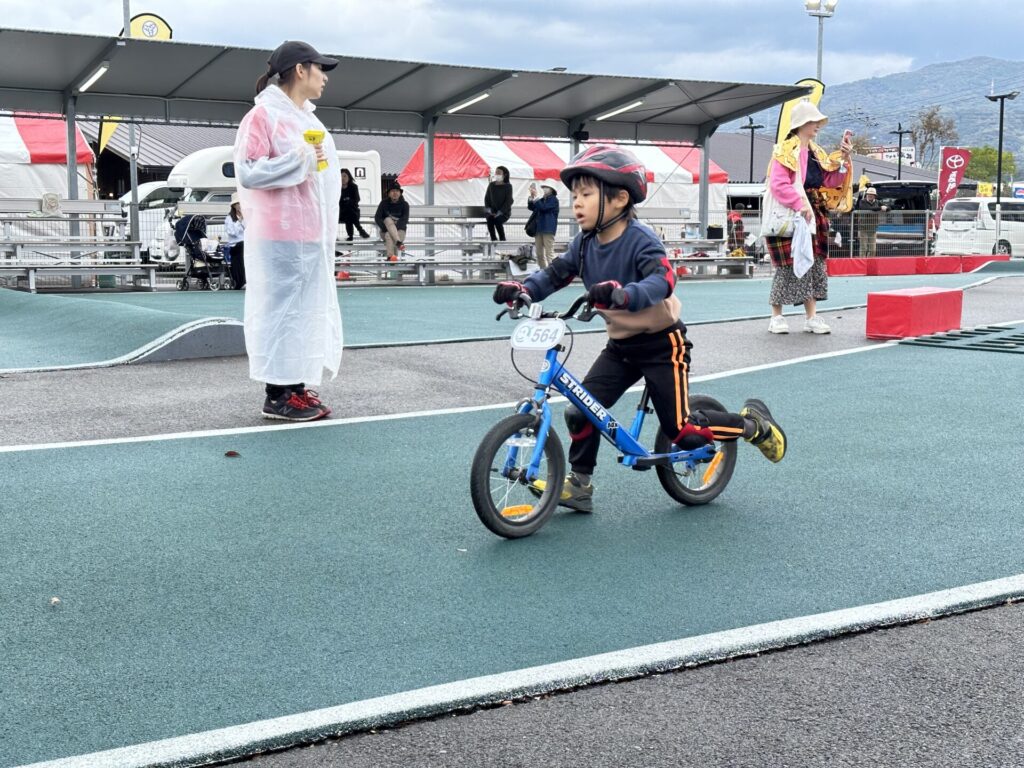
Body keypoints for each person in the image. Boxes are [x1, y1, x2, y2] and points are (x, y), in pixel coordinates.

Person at [491, 145, 787, 513]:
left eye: (586, 194)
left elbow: (663, 280)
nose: (577, 203)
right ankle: (580, 485)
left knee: (682, 431)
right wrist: (522, 289)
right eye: (574, 195)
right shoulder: (583, 244)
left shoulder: (640, 239)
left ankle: (751, 426)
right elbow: (554, 275)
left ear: (619, 198)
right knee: (580, 411)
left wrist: (624, 294)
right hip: (621, 348)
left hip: (662, 345)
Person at [233, 40, 342, 422]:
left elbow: (319, 176)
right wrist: (299, 160)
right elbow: (248, 171)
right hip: (278, 234)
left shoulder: (308, 120)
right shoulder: (263, 116)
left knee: (304, 313)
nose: (324, 77)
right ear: (300, 70)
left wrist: (310, 163)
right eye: (319, 68)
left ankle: (295, 386)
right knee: (278, 312)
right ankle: (276, 393)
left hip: (309, 235)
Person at [763, 100, 853, 335]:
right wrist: (799, 204)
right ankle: (776, 316)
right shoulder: (784, 150)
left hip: (813, 210)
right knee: (787, 264)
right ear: (801, 123)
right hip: (791, 212)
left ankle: (811, 317)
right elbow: (778, 184)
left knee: (813, 263)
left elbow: (830, 180)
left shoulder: (816, 152)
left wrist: (844, 160)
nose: (818, 125)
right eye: (814, 121)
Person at [527, 179, 560, 268]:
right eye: (544, 187)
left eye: (547, 187)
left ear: (552, 189)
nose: (544, 188)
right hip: (539, 228)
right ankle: (544, 272)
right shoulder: (542, 200)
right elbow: (532, 207)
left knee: (549, 253)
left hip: (548, 229)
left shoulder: (554, 200)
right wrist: (531, 197)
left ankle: (553, 272)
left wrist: (536, 198)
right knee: (539, 254)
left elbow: (543, 208)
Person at [374, 181, 410, 261]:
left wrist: (392, 229)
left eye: (397, 191)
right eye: (393, 191)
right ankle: (398, 243)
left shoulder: (405, 204)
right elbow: (377, 217)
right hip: (385, 230)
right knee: (387, 219)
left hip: (400, 231)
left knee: (389, 235)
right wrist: (386, 228)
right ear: (389, 193)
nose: (395, 193)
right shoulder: (383, 203)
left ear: (400, 193)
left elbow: (404, 219)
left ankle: (391, 257)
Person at [854, 186, 888, 258]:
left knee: (873, 249)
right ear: (866, 194)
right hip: (863, 228)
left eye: (872, 194)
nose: (870, 195)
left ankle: (870, 262)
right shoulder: (862, 201)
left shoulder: (878, 202)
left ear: (875, 196)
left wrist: (886, 208)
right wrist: (880, 208)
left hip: (873, 229)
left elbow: (889, 208)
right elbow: (865, 208)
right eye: (869, 194)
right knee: (863, 248)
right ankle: (862, 263)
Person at [339, 168, 371, 240]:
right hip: (341, 213)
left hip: (353, 212)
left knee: (349, 211)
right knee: (349, 210)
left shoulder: (353, 187)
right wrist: (347, 201)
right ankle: (360, 230)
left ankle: (350, 237)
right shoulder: (337, 188)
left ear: (349, 177)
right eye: (340, 176)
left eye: (344, 176)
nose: (342, 178)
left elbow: (357, 199)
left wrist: (347, 201)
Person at [484, 165, 513, 241]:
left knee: (497, 220)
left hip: (504, 213)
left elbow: (508, 201)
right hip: (492, 212)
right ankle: (493, 239)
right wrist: (489, 211)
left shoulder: (508, 186)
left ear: (504, 175)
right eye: (496, 172)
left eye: (499, 173)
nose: (497, 174)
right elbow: (487, 199)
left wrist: (500, 212)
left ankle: (502, 239)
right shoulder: (491, 185)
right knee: (490, 219)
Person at [224, 195, 246, 289]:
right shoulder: (229, 218)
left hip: (244, 243)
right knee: (238, 261)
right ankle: (239, 282)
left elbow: (247, 229)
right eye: (238, 204)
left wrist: (242, 219)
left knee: (244, 261)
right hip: (235, 244)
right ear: (234, 206)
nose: (240, 206)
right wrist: (239, 221)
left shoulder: (245, 216)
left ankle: (244, 281)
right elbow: (232, 233)